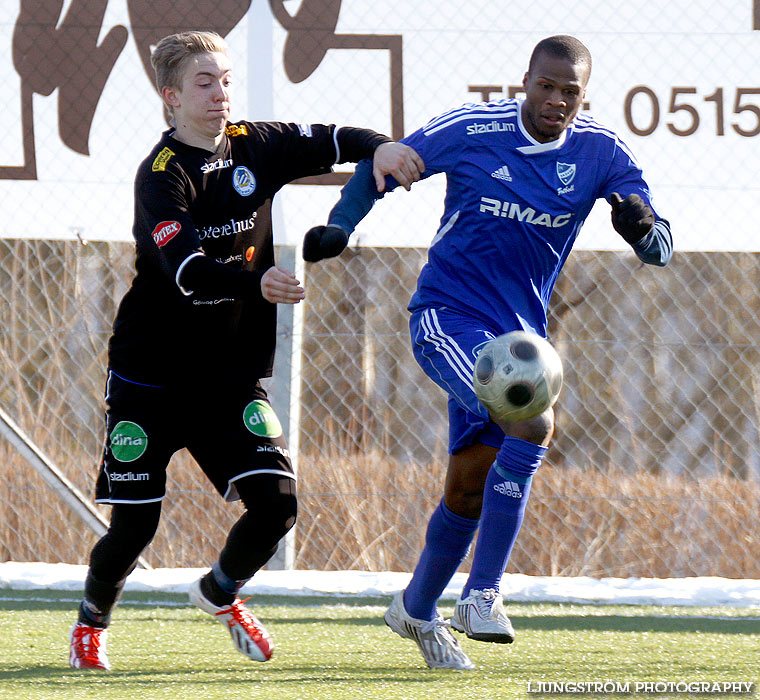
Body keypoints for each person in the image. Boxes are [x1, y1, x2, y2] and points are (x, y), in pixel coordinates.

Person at [302, 35, 673, 670]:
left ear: (585, 97)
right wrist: (341, 223)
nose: (556, 101)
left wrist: (640, 224)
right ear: (525, 80)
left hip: (522, 338)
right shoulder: (474, 128)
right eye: (547, 86)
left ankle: (414, 609)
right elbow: (386, 166)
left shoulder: (600, 152)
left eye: (570, 93)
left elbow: (660, 245)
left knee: (470, 485)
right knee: (533, 416)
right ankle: (482, 596)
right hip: (447, 316)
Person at [68, 30, 423, 671]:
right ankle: (91, 623)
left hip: (229, 379)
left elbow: (333, 139)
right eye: (205, 83)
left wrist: (383, 148)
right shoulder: (161, 177)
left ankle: (219, 591)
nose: (220, 94)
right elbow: (185, 270)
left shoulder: (253, 145)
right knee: (135, 528)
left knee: (278, 506)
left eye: (226, 80)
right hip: (150, 380)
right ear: (171, 97)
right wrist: (254, 282)